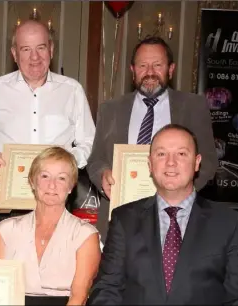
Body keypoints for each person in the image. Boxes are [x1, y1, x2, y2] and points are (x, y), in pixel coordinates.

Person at [89, 124, 238, 305]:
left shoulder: (229, 222)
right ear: (150, 164)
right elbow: (107, 289)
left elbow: (236, 296)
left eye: (182, 154)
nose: (171, 162)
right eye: (161, 154)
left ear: (197, 162)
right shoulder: (124, 219)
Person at [86, 36, 218, 242]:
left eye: (157, 65)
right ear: (132, 71)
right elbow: (96, 159)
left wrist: (179, 194)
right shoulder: (110, 109)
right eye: (142, 65)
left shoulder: (194, 107)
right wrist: (103, 176)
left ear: (171, 69)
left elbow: (208, 162)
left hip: (179, 219)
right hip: (121, 216)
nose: (149, 72)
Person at [0, 20, 96, 239]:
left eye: (41, 48)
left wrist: (65, 164)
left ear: (51, 49)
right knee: (3, 268)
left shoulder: (72, 90)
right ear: (15, 54)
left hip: (57, 199)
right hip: (6, 200)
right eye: (26, 49)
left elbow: (88, 143)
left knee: (54, 269)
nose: (35, 57)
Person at [0, 147, 101, 306]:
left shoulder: (85, 234)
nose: (52, 185)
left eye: (61, 178)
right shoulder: (6, 230)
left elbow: (79, 297)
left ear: (71, 186)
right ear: (32, 182)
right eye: (45, 176)